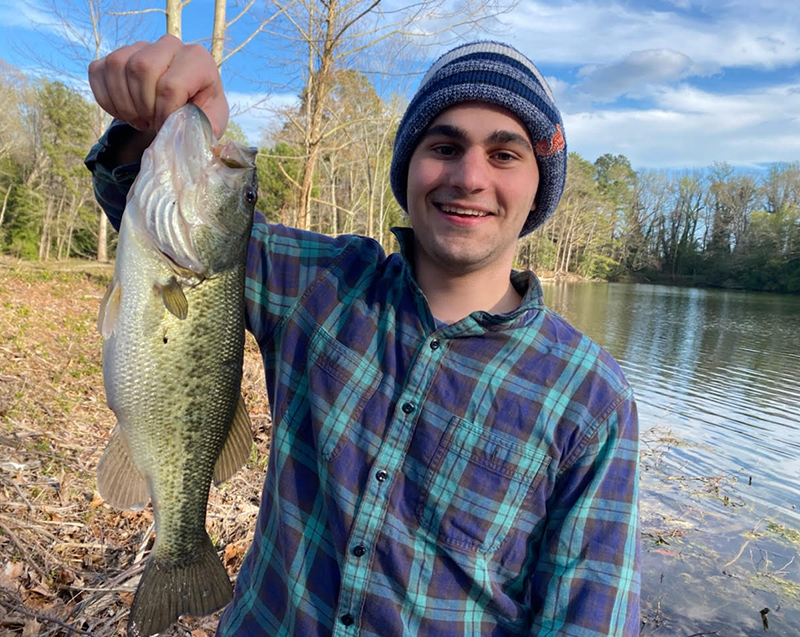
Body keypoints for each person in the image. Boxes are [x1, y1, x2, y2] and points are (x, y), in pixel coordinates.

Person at [86, 35, 640, 636]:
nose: (470, 176)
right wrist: (159, 120)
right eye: (445, 145)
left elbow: (590, 618)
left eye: (505, 155)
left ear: (540, 186)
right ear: (409, 167)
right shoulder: (319, 284)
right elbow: (167, 225)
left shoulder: (592, 399)